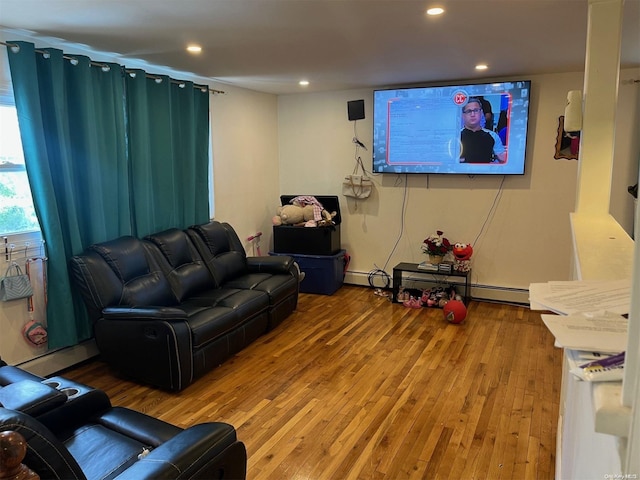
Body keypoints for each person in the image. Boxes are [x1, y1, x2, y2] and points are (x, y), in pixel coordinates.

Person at [459, 98, 506, 164]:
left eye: (476, 110)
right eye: (469, 111)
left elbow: (503, 160)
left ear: (481, 113)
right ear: (463, 115)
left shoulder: (493, 136)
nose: (472, 114)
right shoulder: (456, 136)